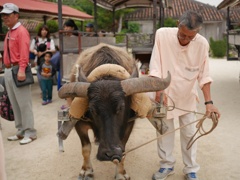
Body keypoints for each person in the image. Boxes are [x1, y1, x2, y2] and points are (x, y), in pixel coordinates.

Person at [149, 10, 221, 180]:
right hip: (164, 94)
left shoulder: (202, 44)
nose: (185, 40)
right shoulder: (162, 35)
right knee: (164, 132)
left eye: (190, 37)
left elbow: (204, 75)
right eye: (182, 35)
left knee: (189, 132)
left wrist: (209, 103)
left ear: (198, 32)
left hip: (187, 96)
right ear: (177, 26)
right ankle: (166, 165)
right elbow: (155, 67)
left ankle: (190, 169)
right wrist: (159, 91)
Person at [1, 3, 37, 145]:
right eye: (3, 15)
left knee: (24, 103)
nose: (5, 18)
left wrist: (22, 69)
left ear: (16, 15)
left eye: (8, 15)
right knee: (15, 103)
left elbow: (24, 53)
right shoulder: (10, 31)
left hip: (18, 69)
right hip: (9, 70)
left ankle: (30, 132)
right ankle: (21, 130)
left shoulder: (21, 31)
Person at [30, 24, 55, 96]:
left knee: (47, 77)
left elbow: (53, 50)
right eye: (43, 30)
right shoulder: (35, 39)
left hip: (47, 62)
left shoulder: (50, 40)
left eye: (46, 30)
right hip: (38, 61)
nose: (44, 32)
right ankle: (44, 91)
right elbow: (31, 49)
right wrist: (35, 51)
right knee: (40, 78)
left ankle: (47, 91)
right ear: (40, 31)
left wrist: (44, 52)